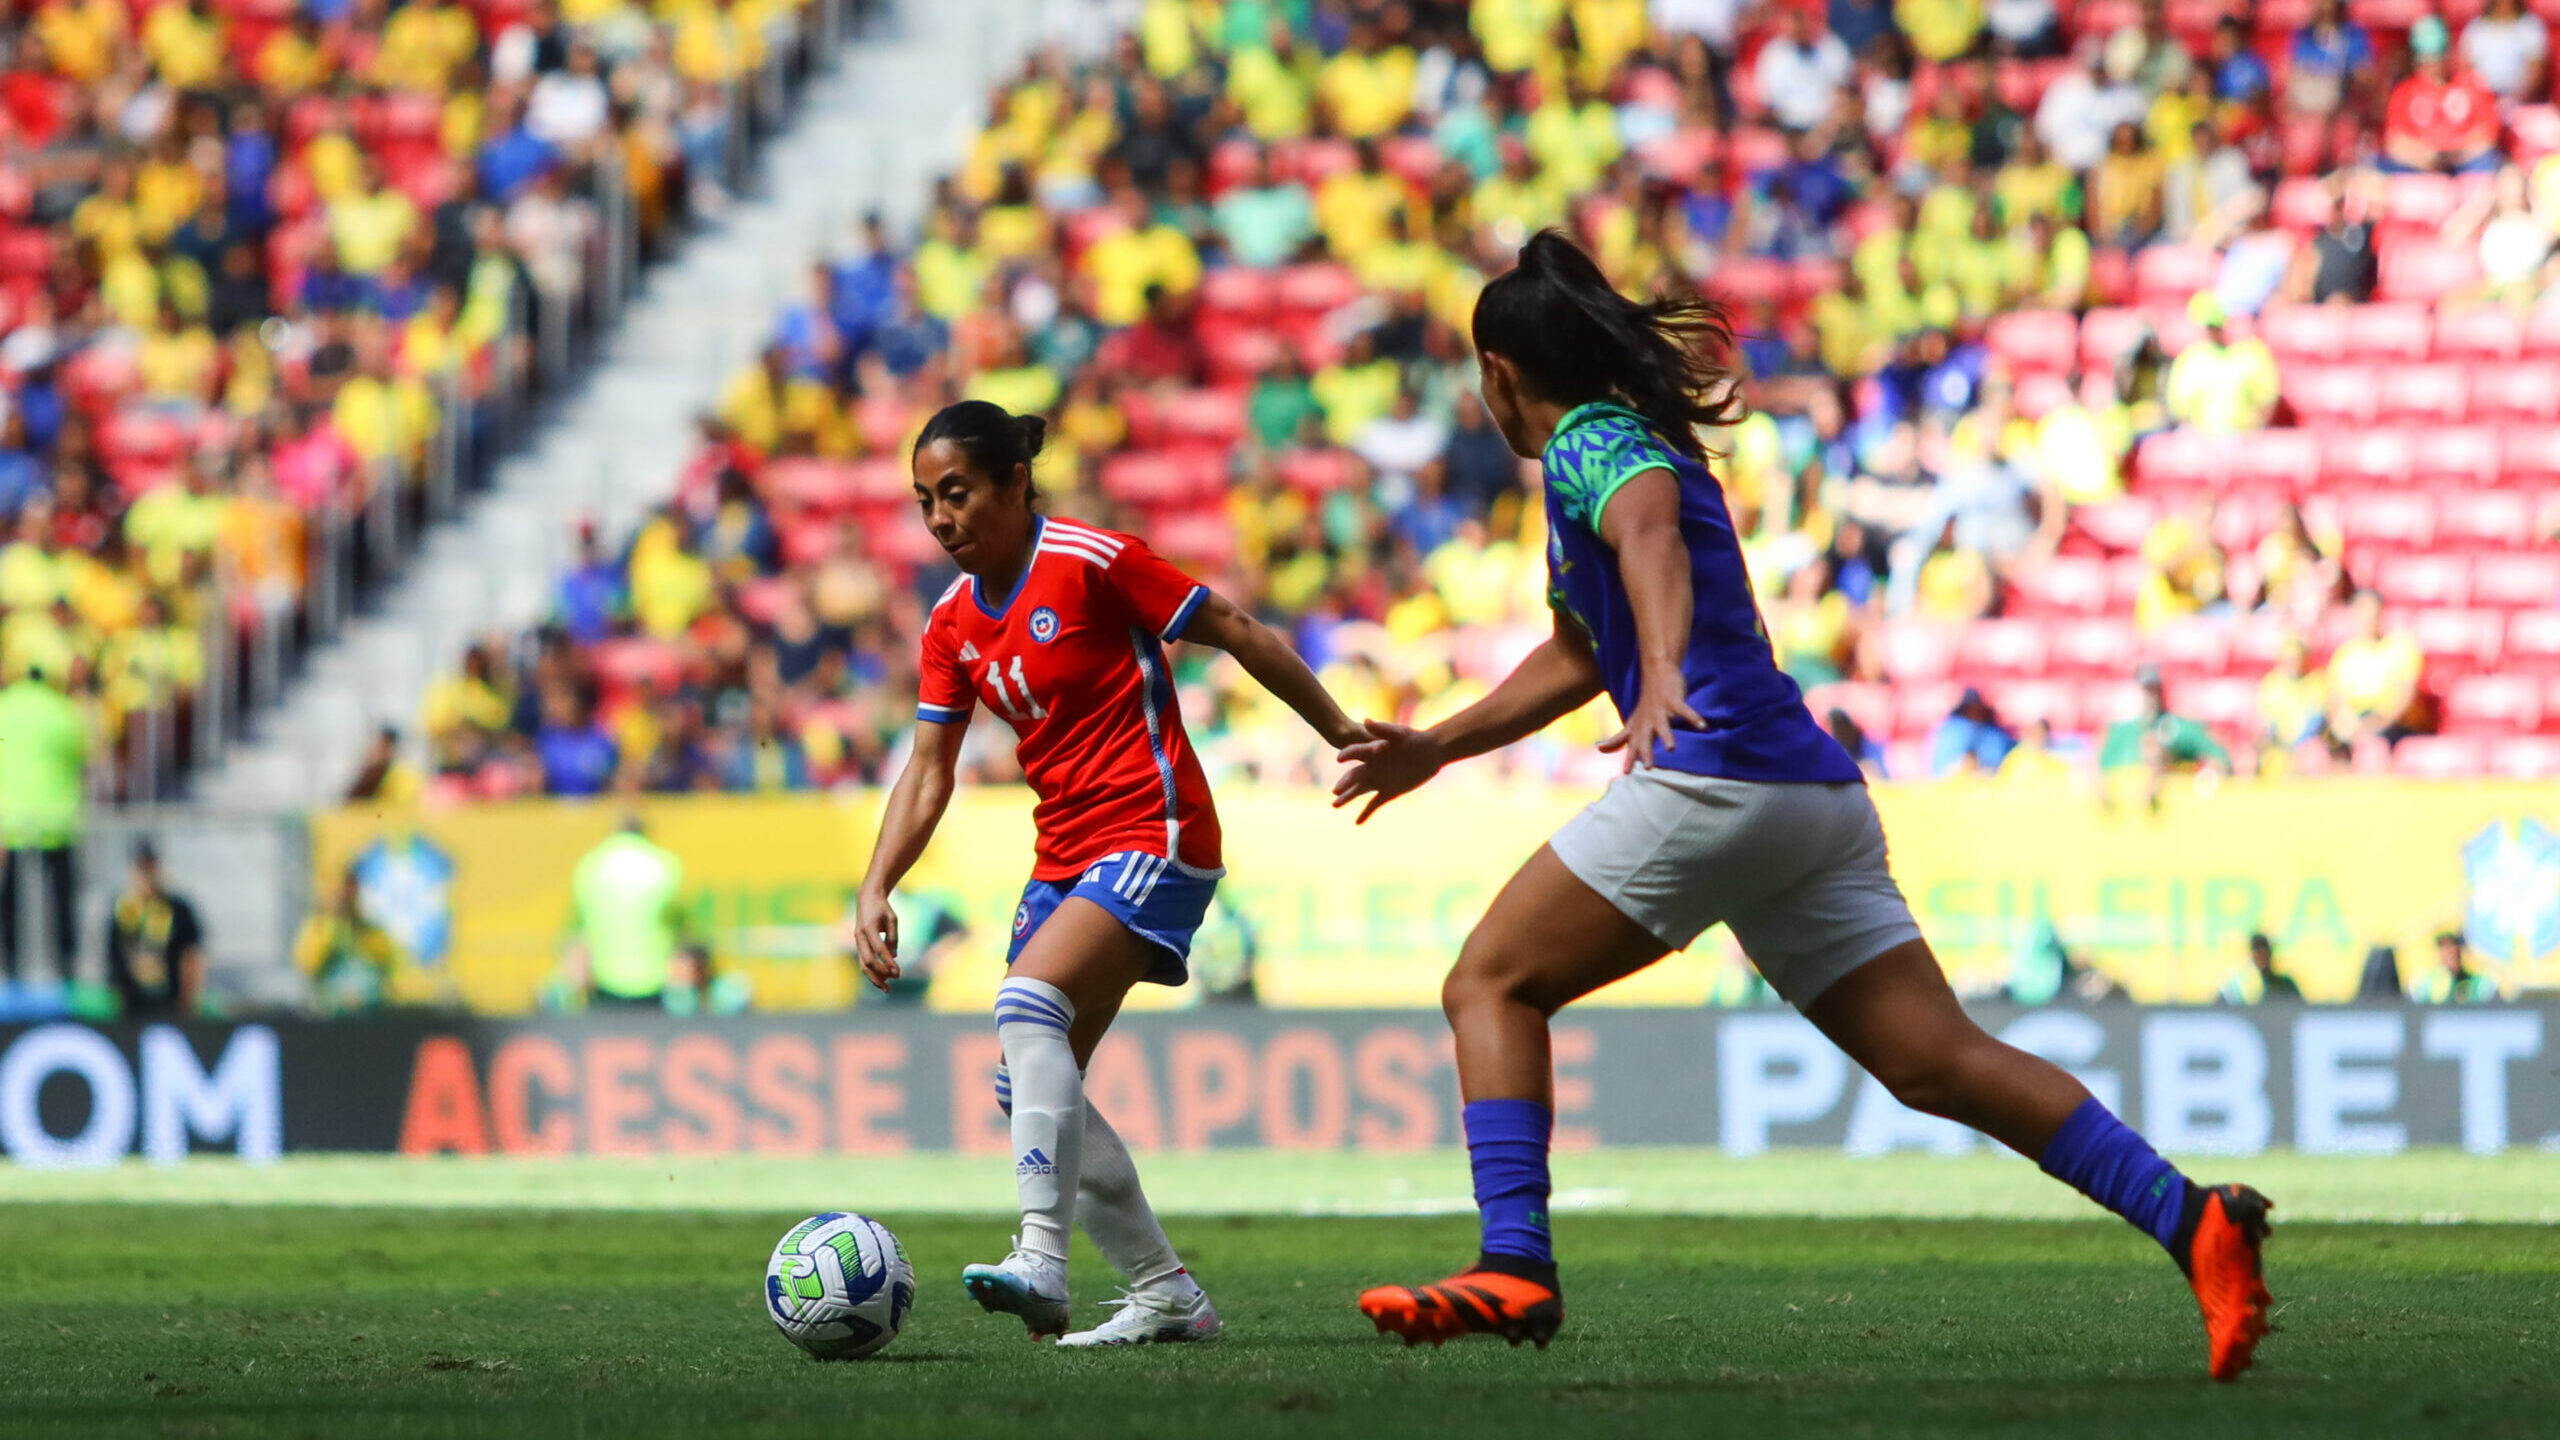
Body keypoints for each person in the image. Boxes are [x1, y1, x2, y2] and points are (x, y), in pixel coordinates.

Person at [1335, 232, 2270, 1379]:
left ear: (1494, 373)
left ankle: (1516, 1262)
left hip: (1712, 771)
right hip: (1809, 798)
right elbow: (1582, 648)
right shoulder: (1639, 439)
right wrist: (1439, 742)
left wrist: (1665, 670)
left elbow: (1647, 542)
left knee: (1489, 982)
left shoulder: (1591, 441)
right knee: (1939, 1061)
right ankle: (2193, 1221)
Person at [850, 400, 1361, 1348]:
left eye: (956, 493)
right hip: (1066, 851)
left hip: (1156, 828)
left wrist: (1340, 732)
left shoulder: (1092, 561)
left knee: (1025, 1005)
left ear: (1013, 482)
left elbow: (1237, 627)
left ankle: (1043, 1260)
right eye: (924, 502)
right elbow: (929, 769)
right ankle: (1166, 1293)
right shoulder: (951, 622)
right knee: (1032, 1081)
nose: (940, 519)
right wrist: (877, 882)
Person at [0, 663, 88, 990]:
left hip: (13, 820)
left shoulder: (5, 708)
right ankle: (66, 968)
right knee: (60, 899)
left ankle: (12, 969)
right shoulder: (63, 711)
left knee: (12, 899)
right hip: (57, 818)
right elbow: (80, 755)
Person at [559, 816, 689, 1008]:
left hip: (603, 978)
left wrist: (575, 977)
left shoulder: (591, 865)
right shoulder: (664, 864)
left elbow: (578, 928)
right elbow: (680, 925)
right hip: (654, 979)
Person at [2384, 17, 2502, 176]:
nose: (2432, 66)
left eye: (2437, 59)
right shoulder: (2405, 91)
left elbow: (2487, 134)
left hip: (2465, 164)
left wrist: (2455, 152)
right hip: (2418, 166)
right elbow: (2394, 142)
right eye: (2426, 60)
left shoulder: (2472, 85)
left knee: (2490, 164)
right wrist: (2425, 157)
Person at [104, 839, 204, 1017]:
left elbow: (191, 955)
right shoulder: (123, 907)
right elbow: (113, 956)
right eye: (142, 867)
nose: (147, 874)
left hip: (171, 1006)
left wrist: (187, 1002)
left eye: (150, 867)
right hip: (132, 1008)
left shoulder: (178, 907)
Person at [293, 864, 402, 1014]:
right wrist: (331, 921)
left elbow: (386, 964)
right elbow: (307, 964)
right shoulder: (320, 926)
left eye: (352, 889)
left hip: (370, 1018)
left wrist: (360, 923)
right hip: (331, 1018)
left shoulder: (372, 931)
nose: (348, 895)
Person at [2413, 930, 2499, 1004]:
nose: (2449, 953)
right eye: (2444, 948)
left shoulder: (2477, 982)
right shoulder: (2427, 983)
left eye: (2452, 947)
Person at [2220, 932, 2302, 1005]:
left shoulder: (2285, 984)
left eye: (2265, 952)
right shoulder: (2239, 986)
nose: (2262, 958)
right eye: (2258, 953)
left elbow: (2299, 1007)